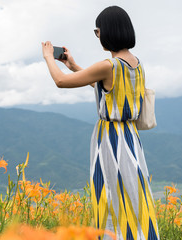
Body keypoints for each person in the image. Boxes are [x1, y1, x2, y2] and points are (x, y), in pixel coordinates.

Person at [42, 5, 159, 240]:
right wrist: (73, 64)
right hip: (131, 138)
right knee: (134, 195)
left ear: (108, 31)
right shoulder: (137, 63)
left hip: (111, 139)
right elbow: (106, 88)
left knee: (110, 194)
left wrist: (48, 57)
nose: (98, 37)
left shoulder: (108, 65)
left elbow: (61, 82)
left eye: (98, 31)